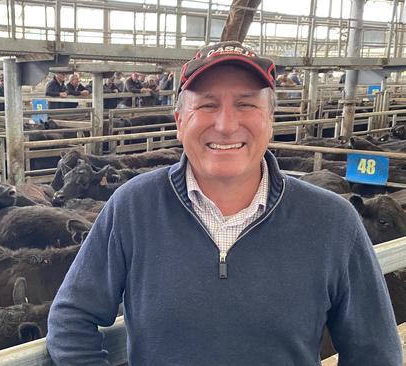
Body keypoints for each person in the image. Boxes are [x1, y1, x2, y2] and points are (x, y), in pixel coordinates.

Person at [46, 41, 402, 365]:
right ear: (180, 121)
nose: (226, 124)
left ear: (270, 119)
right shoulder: (133, 207)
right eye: (207, 105)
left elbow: (375, 352)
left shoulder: (333, 222)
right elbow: (71, 317)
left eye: (246, 104)